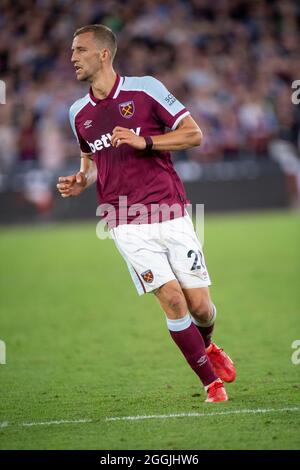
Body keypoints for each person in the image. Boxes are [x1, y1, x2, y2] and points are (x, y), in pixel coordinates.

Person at [57, 24, 236, 403]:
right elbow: (90, 163)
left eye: (80, 50)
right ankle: (211, 385)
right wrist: (81, 181)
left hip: (171, 210)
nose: (72, 57)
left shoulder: (146, 89)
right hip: (124, 220)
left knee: (201, 307)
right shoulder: (78, 113)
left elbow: (194, 135)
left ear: (104, 54)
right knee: (172, 300)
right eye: (72, 51)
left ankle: (208, 345)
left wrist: (146, 141)